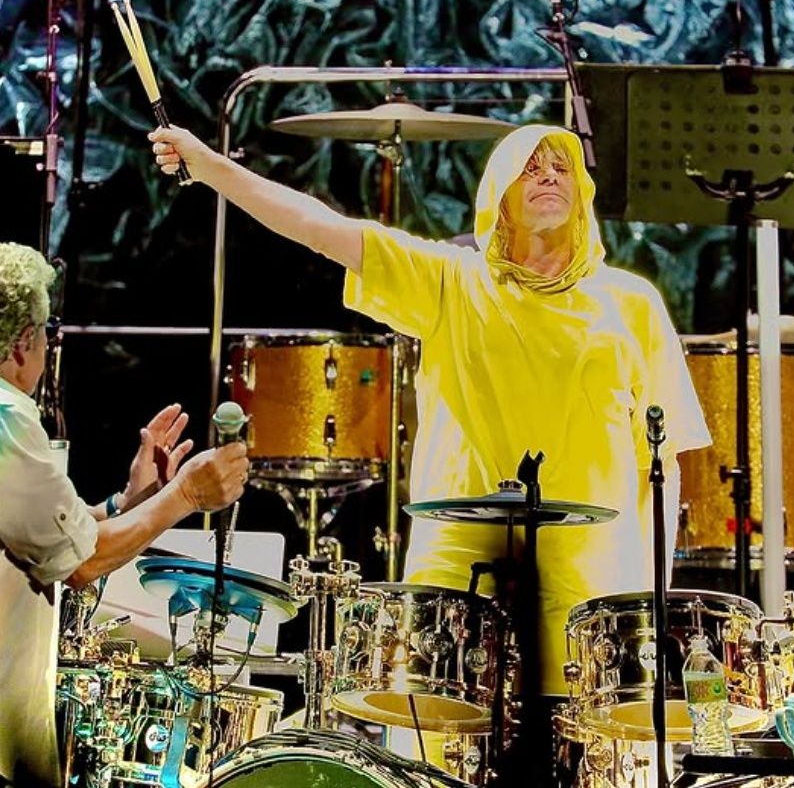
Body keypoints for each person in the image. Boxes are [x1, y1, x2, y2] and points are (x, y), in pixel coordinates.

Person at [149, 121, 710, 738]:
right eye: (531, 167)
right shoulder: (451, 280)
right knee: (441, 754)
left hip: (593, 585)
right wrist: (208, 165)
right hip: (458, 579)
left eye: (561, 168)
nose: (549, 177)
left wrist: (652, 598)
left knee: (581, 760)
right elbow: (317, 226)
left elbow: (664, 464)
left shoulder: (632, 302)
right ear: (498, 194)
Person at [0, 242, 249, 788]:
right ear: (23, 344)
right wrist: (185, 495)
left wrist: (128, 502)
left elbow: (43, 534)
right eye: (48, 334)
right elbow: (81, 563)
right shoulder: (7, 418)